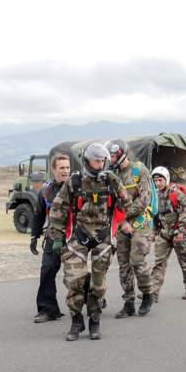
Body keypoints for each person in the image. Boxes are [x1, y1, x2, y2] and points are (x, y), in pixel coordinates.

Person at [49, 143, 131, 341]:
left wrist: (117, 187)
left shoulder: (111, 181)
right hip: (79, 235)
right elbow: (58, 210)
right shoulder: (74, 182)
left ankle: (95, 321)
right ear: (87, 160)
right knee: (74, 280)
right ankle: (76, 321)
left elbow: (128, 205)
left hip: (103, 237)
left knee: (97, 285)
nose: (101, 164)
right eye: (97, 160)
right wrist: (58, 238)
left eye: (103, 160)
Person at [106, 140, 155, 319]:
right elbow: (110, 201)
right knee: (123, 265)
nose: (109, 160)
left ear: (121, 155)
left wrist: (126, 219)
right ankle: (128, 303)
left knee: (137, 261)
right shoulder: (111, 175)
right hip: (121, 225)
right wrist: (120, 221)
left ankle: (148, 294)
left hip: (139, 223)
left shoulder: (140, 171)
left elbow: (144, 200)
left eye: (112, 156)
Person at [30, 154, 70, 323]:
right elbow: (39, 215)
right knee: (47, 270)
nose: (65, 171)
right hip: (53, 237)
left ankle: (95, 296)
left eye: (68, 168)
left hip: (73, 238)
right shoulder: (45, 191)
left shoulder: (78, 187)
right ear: (53, 170)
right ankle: (48, 310)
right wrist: (34, 235)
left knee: (76, 276)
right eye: (61, 168)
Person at [149, 166, 186, 300]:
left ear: (166, 179)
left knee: (185, 262)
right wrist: (154, 232)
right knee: (159, 262)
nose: (158, 183)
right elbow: (156, 215)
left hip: (179, 234)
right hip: (164, 234)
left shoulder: (176, 193)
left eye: (160, 180)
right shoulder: (156, 195)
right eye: (155, 181)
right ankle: (153, 292)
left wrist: (181, 231)